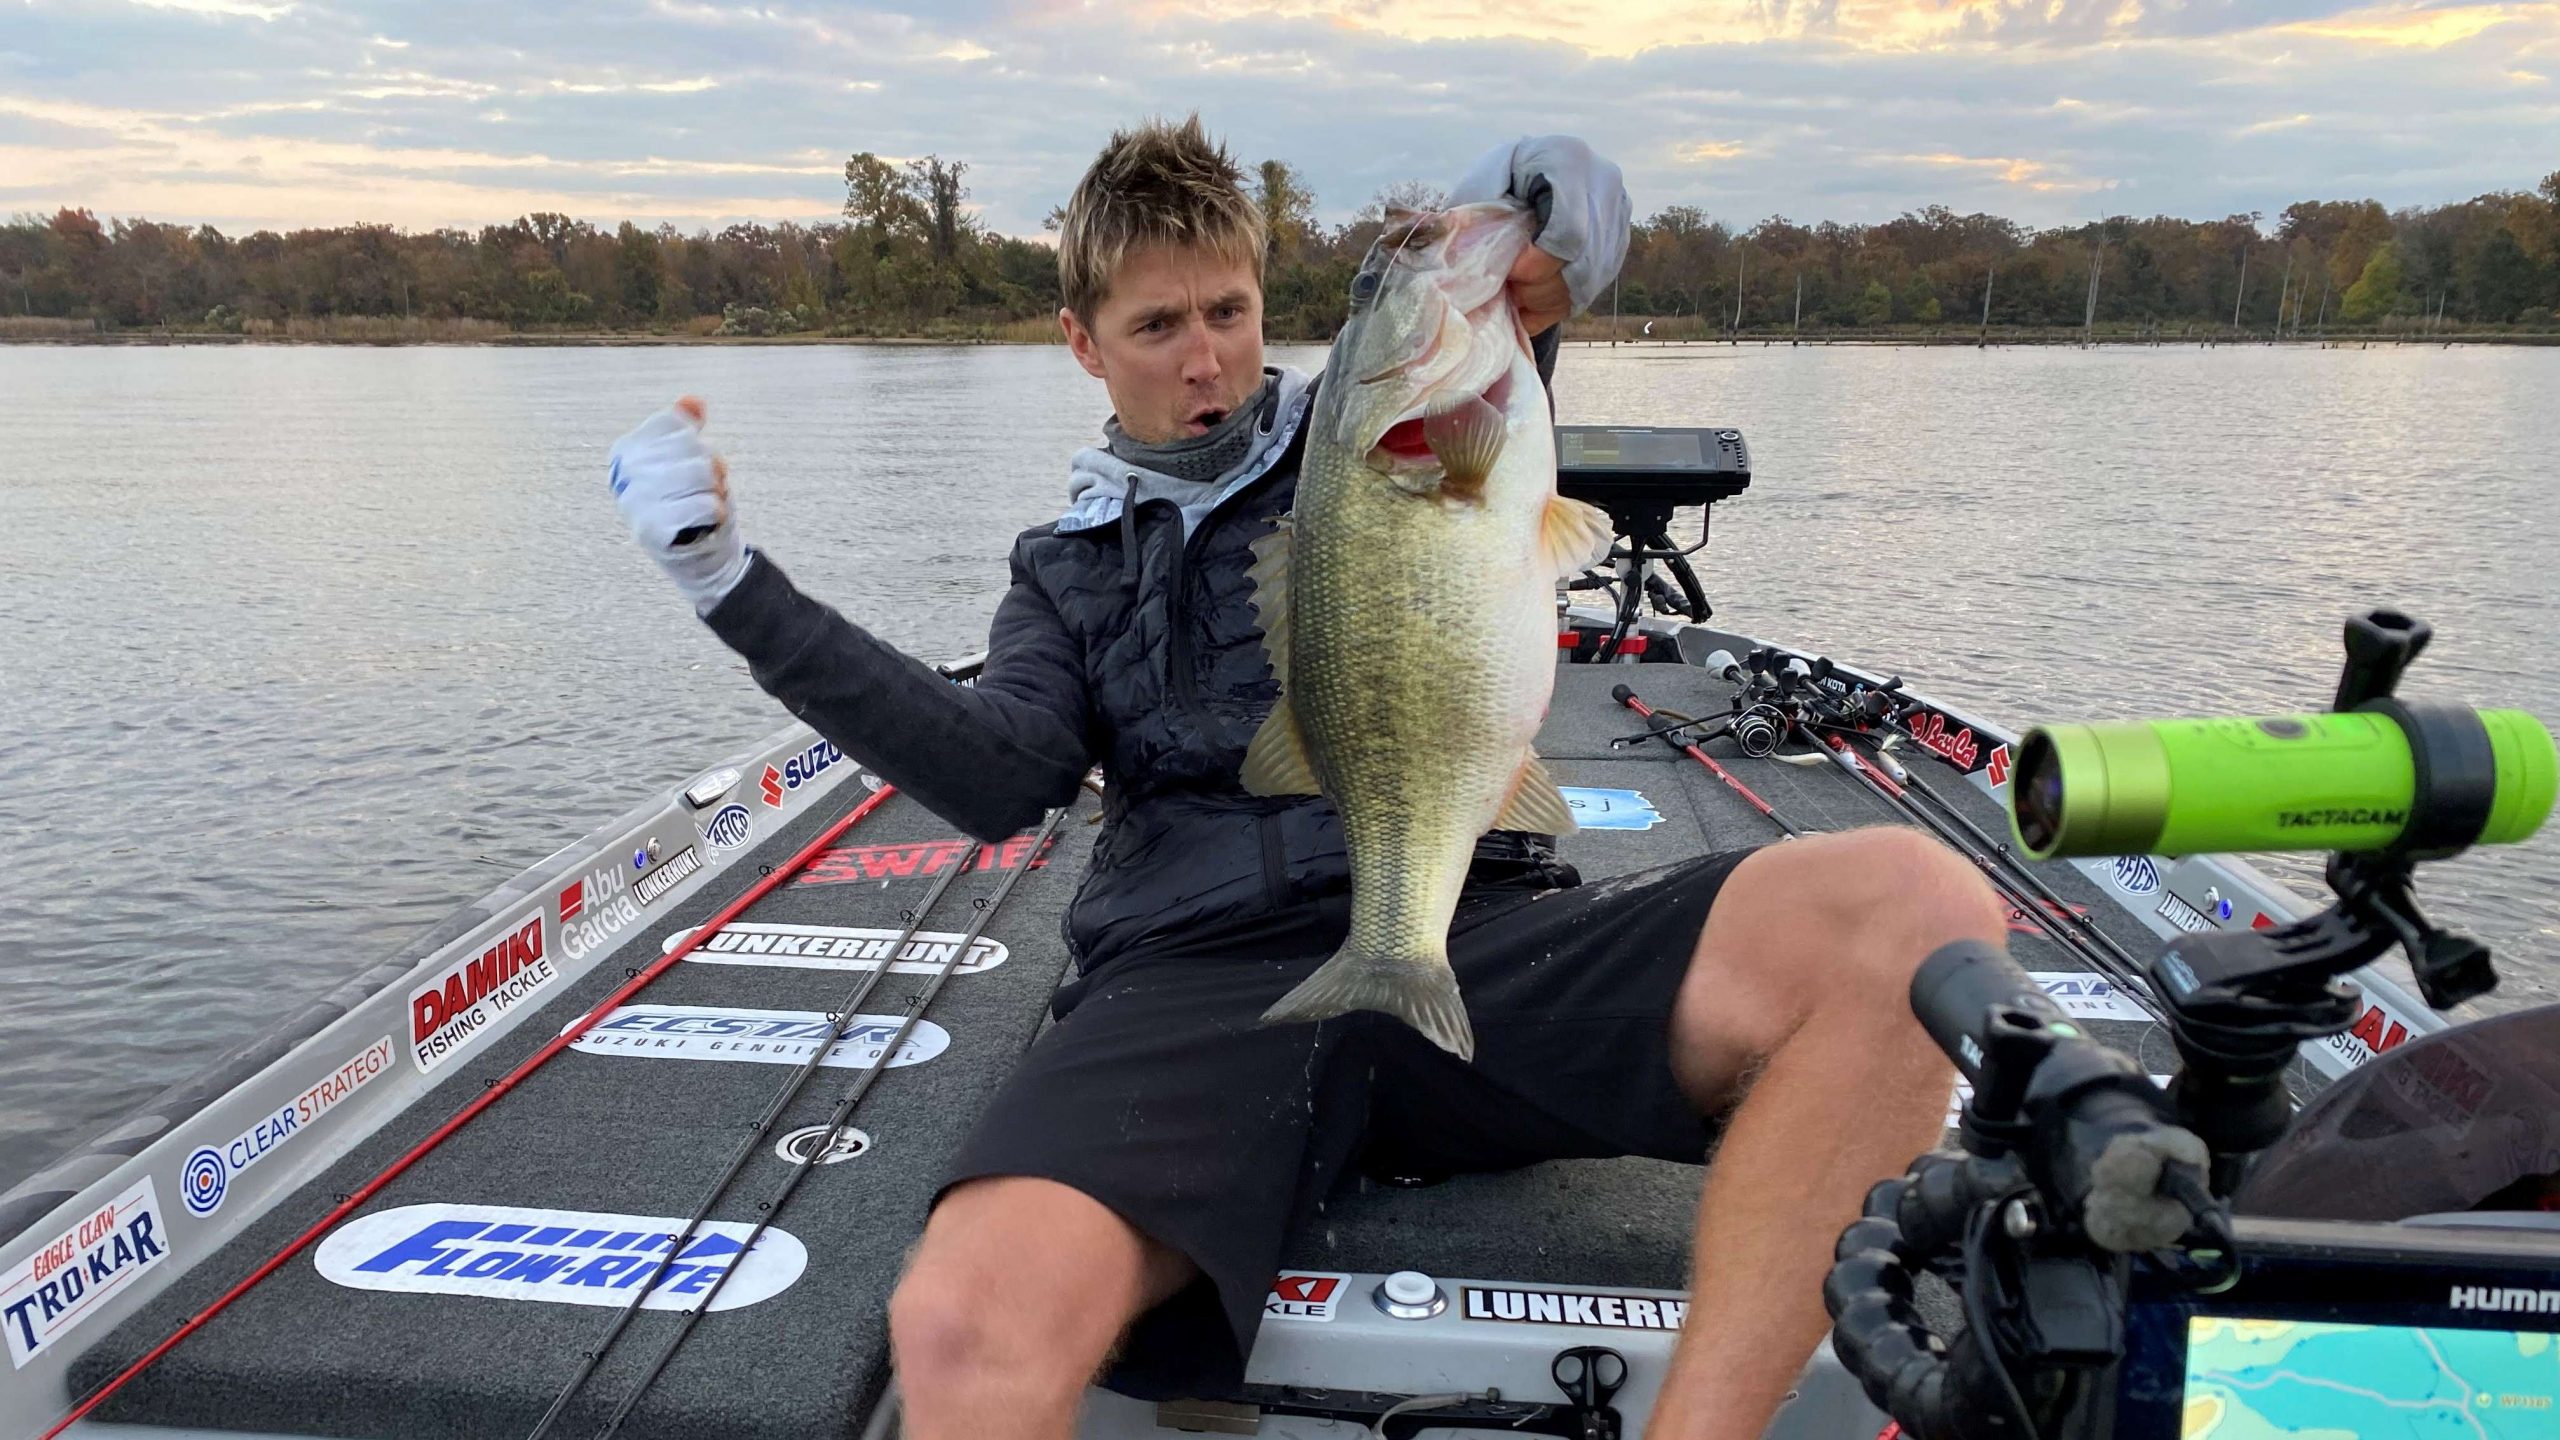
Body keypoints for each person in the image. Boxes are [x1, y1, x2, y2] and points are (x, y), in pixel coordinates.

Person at [606, 115, 2008, 1440]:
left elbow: (1514, 300)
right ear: (1082, 343)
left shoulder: (1383, 426)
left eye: (1228, 311)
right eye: (1157, 326)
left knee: (1910, 908)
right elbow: (999, 777)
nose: (1204, 360)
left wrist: (1539, 208)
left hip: (1474, 923)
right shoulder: (1063, 571)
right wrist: (734, 587)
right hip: (1194, 979)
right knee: (962, 1324)